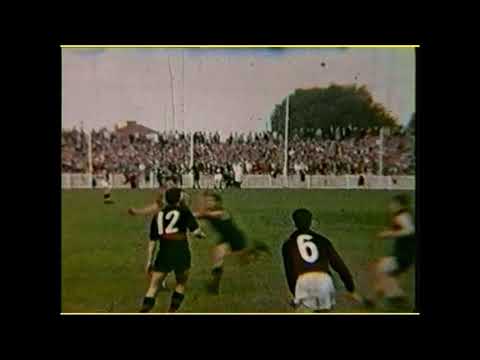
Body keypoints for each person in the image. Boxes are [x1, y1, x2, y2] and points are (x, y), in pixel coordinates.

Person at [135, 188, 206, 313]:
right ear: (179, 198)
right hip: (181, 252)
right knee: (181, 283)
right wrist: (201, 235)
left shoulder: (158, 215)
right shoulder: (184, 211)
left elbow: (153, 241)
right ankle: (172, 311)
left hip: (164, 253)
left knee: (153, 286)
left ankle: (144, 310)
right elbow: (196, 232)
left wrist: (149, 261)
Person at [282, 209, 362, 312]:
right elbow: (339, 265)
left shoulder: (288, 245)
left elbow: (290, 273)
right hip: (324, 280)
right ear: (311, 222)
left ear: (294, 223)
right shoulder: (323, 241)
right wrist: (350, 286)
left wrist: (296, 295)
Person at [194, 192, 270, 294]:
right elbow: (197, 215)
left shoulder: (221, 211)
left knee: (243, 261)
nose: (208, 203)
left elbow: (206, 214)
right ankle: (214, 286)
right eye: (207, 201)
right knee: (217, 257)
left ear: (217, 202)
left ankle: (256, 248)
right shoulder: (208, 213)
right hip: (224, 239)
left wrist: (200, 206)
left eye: (210, 201)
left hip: (236, 238)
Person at [364, 194, 415, 309]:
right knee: (385, 274)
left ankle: (397, 296)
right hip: (406, 254)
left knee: (380, 269)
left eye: (392, 204)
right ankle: (370, 300)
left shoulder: (401, 216)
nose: (390, 206)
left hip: (404, 255)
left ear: (398, 204)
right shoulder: (405, 215)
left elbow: (410, 230)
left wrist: (389, 234)